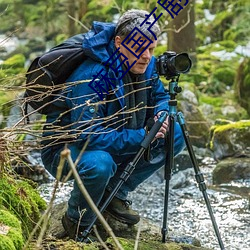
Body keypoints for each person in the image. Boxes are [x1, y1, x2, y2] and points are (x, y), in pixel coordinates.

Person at [41, 9, 185, 241]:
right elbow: (87, 135)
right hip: (67, 150)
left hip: (116, 136)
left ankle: (115, 193)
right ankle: (76, 221)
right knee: (100, 164)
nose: (147, 56)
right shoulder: (92, 76)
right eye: (140, 48)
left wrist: (161, 114)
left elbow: (159, 96)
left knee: (175, 132)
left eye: (151, 49)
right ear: (119, 43)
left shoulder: (145, 64)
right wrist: (142, 135)